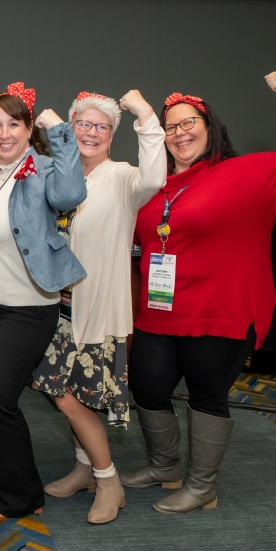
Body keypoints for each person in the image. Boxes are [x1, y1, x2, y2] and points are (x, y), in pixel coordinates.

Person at [120, 70, 276, 513]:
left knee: (206, 393)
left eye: (189, 122)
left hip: (221, 311)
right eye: (170, 126)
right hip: (159, 309)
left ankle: (201, 485)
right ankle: (164, 466)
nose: (179, 133)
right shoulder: (151, 185)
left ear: (210, 127)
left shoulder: (247, 174)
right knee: (148, 386)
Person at [31, 89, 166, 524]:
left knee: (70, 396)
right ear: (70, 130)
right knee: (67, 393)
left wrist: (144, 113)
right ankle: (84, 467)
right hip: (56, 304)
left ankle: (109, 480)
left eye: (101, 126)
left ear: (112, 135)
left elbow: (156, 177)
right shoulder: (54, 176)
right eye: (82, 125)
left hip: (96, 307)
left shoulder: (124, 178)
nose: (90, 133)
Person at [0, 82, 88, 520]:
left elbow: (71, 195)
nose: (4, 132)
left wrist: (60, 130)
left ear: (29, 127)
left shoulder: (44, 169)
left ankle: (22, 495)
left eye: (13, 123)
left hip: (27, 307)